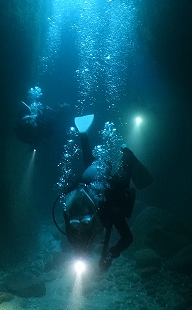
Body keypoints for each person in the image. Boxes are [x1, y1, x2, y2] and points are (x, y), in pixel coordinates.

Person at [62, 115, 153, 271]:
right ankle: (83, 134)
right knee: (91, 165)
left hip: (109, 186)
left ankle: (126, 152)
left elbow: (127, 238)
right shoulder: (71, 215)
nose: (80, 229)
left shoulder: (106, 208)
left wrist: (111, 253)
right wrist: (105, 254)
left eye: (84, 223)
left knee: (122, 170)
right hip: (90, 178)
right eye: (77, 223)